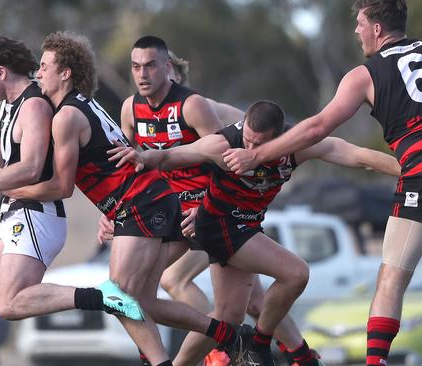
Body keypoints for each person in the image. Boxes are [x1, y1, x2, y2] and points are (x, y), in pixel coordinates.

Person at [4, 31, 246, 366]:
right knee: (141, 300)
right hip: (147, 200)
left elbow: (62, 187)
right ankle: (228, 335)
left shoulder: (67, 117)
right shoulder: (79, 107)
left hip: (141, 202)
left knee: (117, 294)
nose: (38, 73)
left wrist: (10, 190)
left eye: (44, 66)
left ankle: (168, 357)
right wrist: (2, 163)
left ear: (65, 73)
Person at [110, 99, 401, 366]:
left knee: (228, 316)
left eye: (257, 144)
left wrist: (409, 170)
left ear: (277, 139)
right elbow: (172, 156)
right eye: (246, 140)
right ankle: (259, 345)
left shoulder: (296, 145)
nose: (248, 149)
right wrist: (142, 157)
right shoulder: (223, 144)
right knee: (296, 272)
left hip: (245, 225)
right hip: (219, 225)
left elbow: (358, 156)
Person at [99, 37, 323, 366]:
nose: (143, 75)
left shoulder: (193, 106)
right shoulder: (132, 108)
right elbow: (134, 169)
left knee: (172, 283)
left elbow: (229, 164)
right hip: (175, 208)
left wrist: (205, 206)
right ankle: (292, 355)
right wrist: (113, 211)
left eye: (151, 67)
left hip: (209, 210)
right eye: (136, 67)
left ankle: (216, 348)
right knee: (249, 302)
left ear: (169, 71)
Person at [222, 2, 419, 365]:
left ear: (376, 29)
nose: (356, 32)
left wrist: (256, 156)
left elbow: (317, 128)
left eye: (360, 24)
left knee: (391, 279)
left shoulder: (365, 74)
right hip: (412, 170)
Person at [0, 33, 144, 366]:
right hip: (15, 216)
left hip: (35, 216)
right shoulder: (8, 106)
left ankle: (101, 296)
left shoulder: (34, 105)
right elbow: (3, 175)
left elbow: (30, 169)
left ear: (0, 72)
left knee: (9, 305)